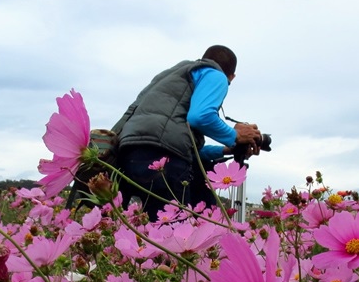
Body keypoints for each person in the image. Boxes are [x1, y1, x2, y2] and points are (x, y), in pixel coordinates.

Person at [111, 45, 262, 220]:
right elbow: (200, 116)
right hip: (164, 158)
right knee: (172, 234)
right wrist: (235, 135)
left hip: (127, 154)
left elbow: (181, 144)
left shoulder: (173, 75)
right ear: (232, 77)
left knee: (134, 229)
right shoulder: (215, 75)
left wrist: (225, 149)